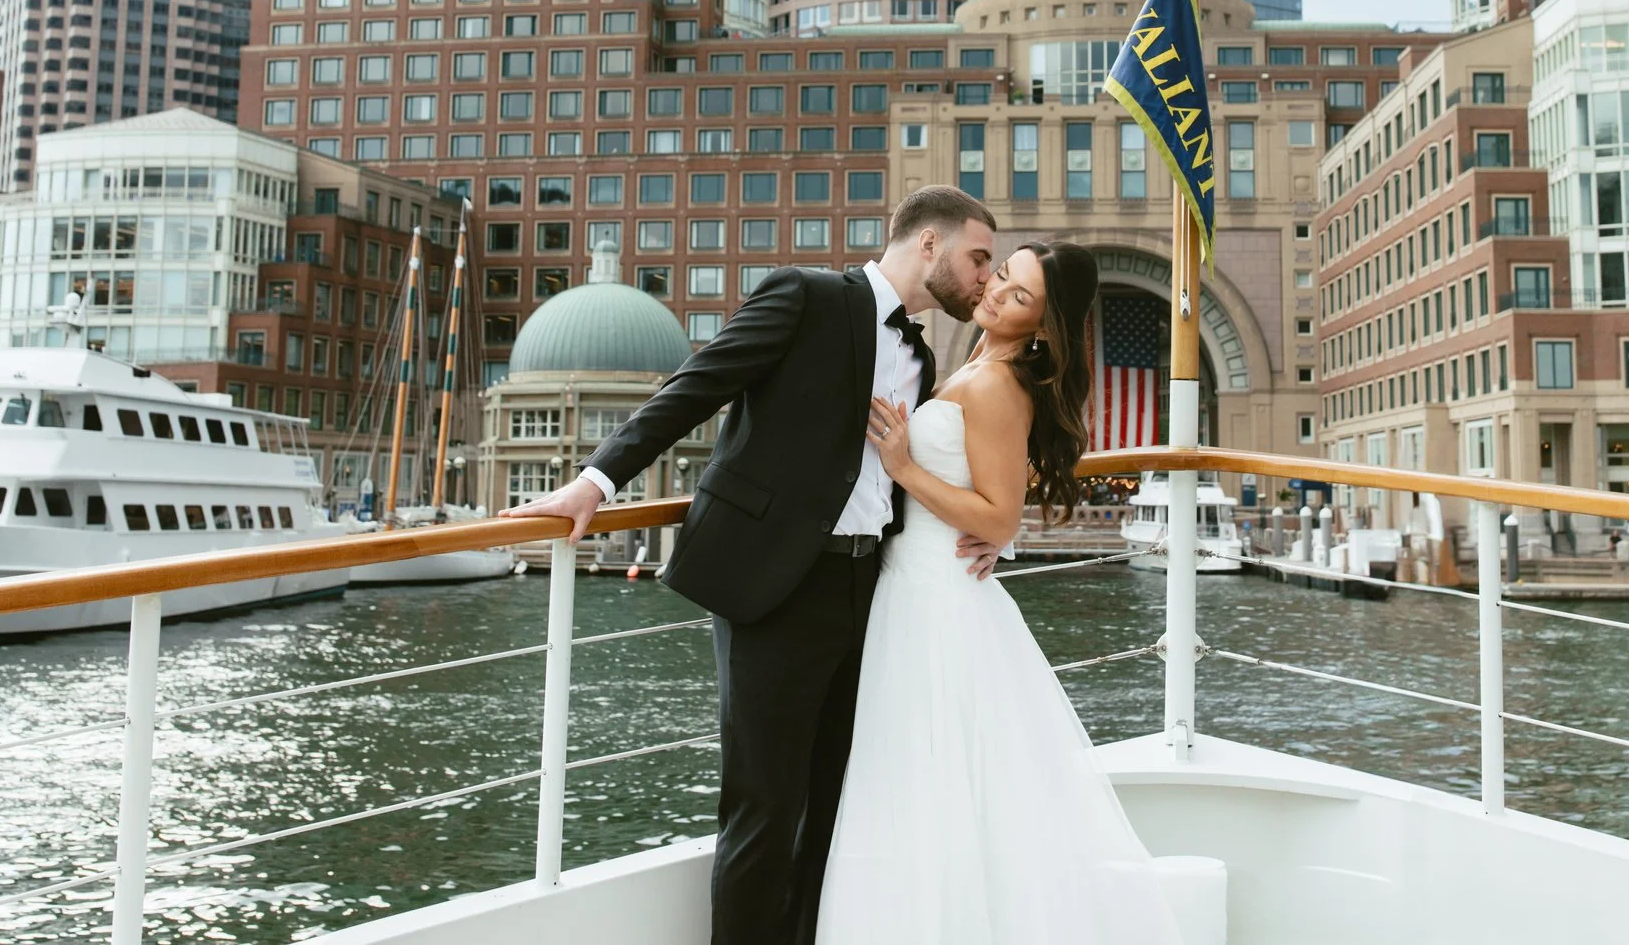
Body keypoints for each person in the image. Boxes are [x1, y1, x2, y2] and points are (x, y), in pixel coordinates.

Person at [503, 185, 1000, 945]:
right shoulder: (804, 295)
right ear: (928, 245)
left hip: (871, 589)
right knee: (764, 809)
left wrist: (985, 529)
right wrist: (595, 480)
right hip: (778, 587)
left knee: (833, 799)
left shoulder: (921, 354)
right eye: (978, 258)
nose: (983, 279)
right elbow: (699, 385)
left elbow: (886, 478)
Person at [814, 241, 1183, 945]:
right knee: (933, 786)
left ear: (1043, 324)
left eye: (1017, 296)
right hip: (923, 586)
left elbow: (998, 514)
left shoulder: (995, 384)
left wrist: (902, 466)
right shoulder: (979, 365)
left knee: (934, 784)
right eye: (1002, 276)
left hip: (936, 599)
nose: (994, 294)